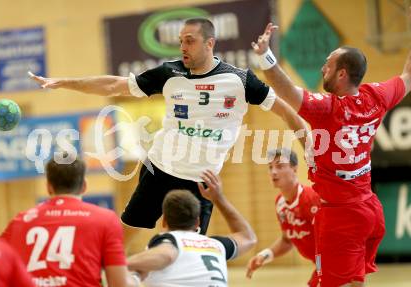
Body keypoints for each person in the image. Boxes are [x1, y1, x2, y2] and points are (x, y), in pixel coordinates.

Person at [28, 17, 307, 240]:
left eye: (190, 41)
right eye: (180, 41)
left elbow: (286, 109)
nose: (183, 47)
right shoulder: (169, 73)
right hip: (159, 169)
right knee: (123, 232)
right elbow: (113, 85)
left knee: (189, 249)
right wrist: (65, 82)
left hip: (202, 182)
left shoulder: (240, 80)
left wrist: (310, 150)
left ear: (210, 43)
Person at [251, 19, 411, 286]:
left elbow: (288, 92)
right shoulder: (376, 96)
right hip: (370, 209)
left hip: (341, 216)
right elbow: (408, 76)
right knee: (356, 280)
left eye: (329, 63)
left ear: (342, 74)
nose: (323, 67)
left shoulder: (327, 109)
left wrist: (265, 56)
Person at [0, 156, 140, 287]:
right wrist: (135, 279)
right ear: (84, 185)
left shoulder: (20, 220)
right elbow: (118, 284)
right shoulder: (106, 219)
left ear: (49, 187)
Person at [126, 170, 256, 287]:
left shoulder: (171, 242)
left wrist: (120, 263)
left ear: (164, 221)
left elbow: (167, 254)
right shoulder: (216, 246)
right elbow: (248, 237)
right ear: (197, 222)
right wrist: (219, 198)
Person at [246, 149, 320, 286]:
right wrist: (264, 255)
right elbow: (287, 240)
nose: (273, 172)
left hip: (335, 261)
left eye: (279, 166)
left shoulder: (311, 199)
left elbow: (329, 243)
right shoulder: (280, 203)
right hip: (321, 263)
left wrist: (321, 271)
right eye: (270, 167)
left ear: (294, 168)